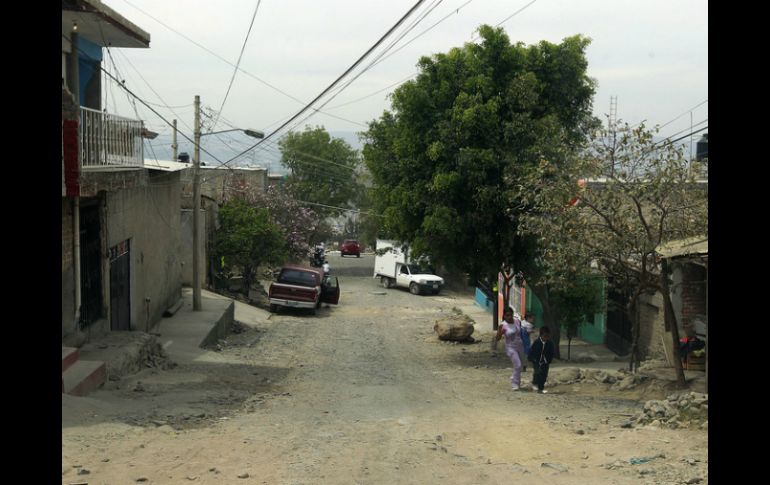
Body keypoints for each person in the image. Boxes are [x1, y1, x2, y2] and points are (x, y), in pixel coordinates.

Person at [495, 307, 524, 391]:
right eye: (507, 315)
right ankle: (515, 383)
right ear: (504, 316)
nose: (509, 317)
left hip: (520, 346)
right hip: (510, 347)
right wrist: (500, 331)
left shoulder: (517, 321)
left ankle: (516, 380)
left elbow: (520, 333)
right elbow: (497, 338)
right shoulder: (503, 325)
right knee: (518, 365)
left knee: (520, 366)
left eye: (511, 315)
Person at [528, 326, 555, 394]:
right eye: (545, 336)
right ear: (541, 335)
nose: (546, 338)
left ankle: (540, 389)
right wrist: (532, 359)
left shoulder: (550, 343)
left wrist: (548, 360)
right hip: (536, 361)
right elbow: (532, 351)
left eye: (548, 336)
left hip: (545, 362)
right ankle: (535, 383)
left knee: (544, 375)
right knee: (537, 372)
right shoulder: (537, 342)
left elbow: (551, 353)